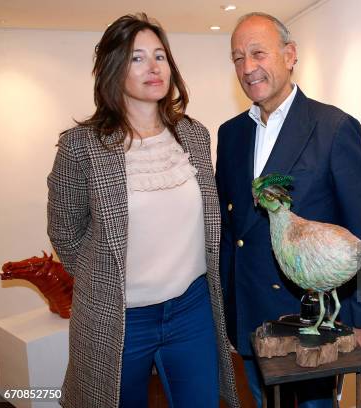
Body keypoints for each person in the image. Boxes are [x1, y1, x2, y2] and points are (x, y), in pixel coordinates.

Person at [47, 13, 239, 408]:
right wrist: (106, 281)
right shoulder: (81, 147)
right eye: (137, 58)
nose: (154, 67)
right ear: (114, 70)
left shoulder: (193, 134)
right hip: (120, 318)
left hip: (191, 308)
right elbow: (64, 235)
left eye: (160, 56)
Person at [216, 12, 361, 407]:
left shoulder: (334, 128)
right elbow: (227, 228)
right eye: (238, 58)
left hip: (311, 319)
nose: (247, 67)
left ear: (289, 55)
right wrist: (225, 308)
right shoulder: (230, 133)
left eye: (258, 53)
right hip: (252, 314)